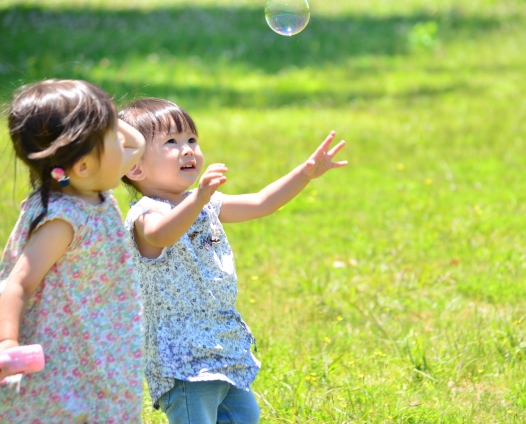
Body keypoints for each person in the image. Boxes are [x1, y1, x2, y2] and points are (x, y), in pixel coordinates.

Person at [119, 98, 348, 423]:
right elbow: (161, 235)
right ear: (136, 167)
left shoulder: (205, 204)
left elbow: (261, 202)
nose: (188, 150)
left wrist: (305, 173)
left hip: (222, 344)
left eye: (191, 140)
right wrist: (199, 198)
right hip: (182, 359)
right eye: (171, 142)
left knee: (245, 416)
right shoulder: (146, 214)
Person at [0, 79, 146, 422]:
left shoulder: (91, 187)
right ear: (82, 166)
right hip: (62, 353)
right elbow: (18, 283)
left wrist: (103, 111)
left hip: (100, 344)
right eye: (113, 137)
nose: (124, 142)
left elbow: (137, 143)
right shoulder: (63, 220)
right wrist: (7, 341)